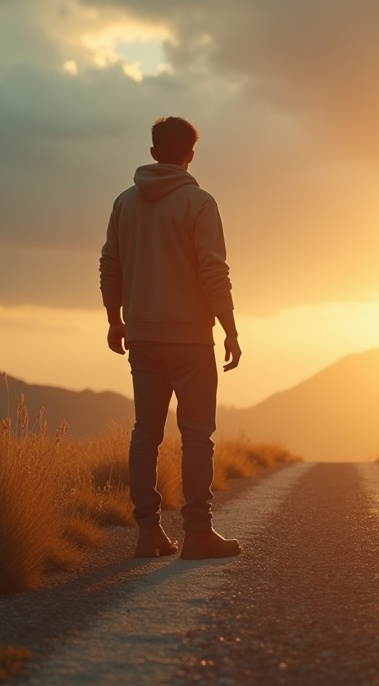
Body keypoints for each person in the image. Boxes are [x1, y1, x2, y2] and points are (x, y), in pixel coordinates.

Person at [99, 116, 243, 561]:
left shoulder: (125, 202)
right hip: (189, 339)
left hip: (141, 336)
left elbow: (110, 265)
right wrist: (230, 327)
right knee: (197, 435)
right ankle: (198, 532)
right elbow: (212, 270)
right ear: (190, 155)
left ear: (153, 151)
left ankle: (148, 533)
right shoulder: (199, 202)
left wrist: (115, 319)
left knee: (146, 434)